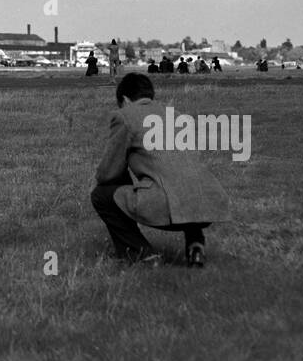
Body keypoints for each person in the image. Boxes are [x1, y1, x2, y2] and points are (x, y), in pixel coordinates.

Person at [91, 73, 230, 267]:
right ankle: (195, 245)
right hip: (206, 203)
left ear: (124, 99)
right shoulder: (178, 115)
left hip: (170, 207)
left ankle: (142, 255)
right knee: (182, 179)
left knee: (101, 195)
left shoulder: (125, 116)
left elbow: (107, 174)